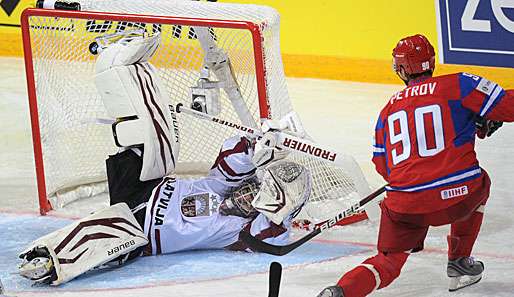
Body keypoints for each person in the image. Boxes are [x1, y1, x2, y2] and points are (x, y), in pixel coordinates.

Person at [17, 32, 311, 286]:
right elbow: (234, 155)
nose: (246, 197)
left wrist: (279, 214)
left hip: (142, 230)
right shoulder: (223, 184)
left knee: (114, 236)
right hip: (145, 186)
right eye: (251, 189)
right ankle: (120, 65)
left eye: (254, 201)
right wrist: (258, 145)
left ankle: (48, 260)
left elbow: (272, 238)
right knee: (156, 137)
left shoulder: (239, 232)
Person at [317, 34, 514, 297]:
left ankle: (340, 291)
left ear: (400, 69)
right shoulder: (459, 84)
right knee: (481, 181)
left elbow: (382, 165)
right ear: (432, 61)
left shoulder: (387, 111)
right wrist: (480, 116)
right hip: (458, 196)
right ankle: (459, 261)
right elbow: (507, 106)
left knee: (387, 263)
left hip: (404, 204)